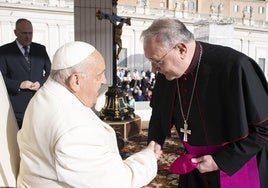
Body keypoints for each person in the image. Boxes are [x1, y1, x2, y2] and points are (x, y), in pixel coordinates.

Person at [140, 18, 268, 188]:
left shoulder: (235, 66)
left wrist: (220, 161)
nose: (153, 69)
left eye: (157, 61)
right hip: (194, 168)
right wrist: (155, 140)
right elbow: (159, 113)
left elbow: (264, 128)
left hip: (235, 164)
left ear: (181, 49)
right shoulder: (168, 72)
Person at [16, 41, 162, 188]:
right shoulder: (76, 130)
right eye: (99, 75)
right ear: (76, 81)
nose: (104, 81)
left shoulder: (44, 96)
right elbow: (116, 183)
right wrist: (148, 157)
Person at [0, 18, 51, 129]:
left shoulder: (41, 49)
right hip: (17, 109)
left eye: (30, 33)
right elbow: (1, 79)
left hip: (40, 104)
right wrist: (19, 84)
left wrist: (40, 83)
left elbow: (50, 73)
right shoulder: (4, 51)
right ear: (15, 32)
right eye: (24, 33)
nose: (27, 36)